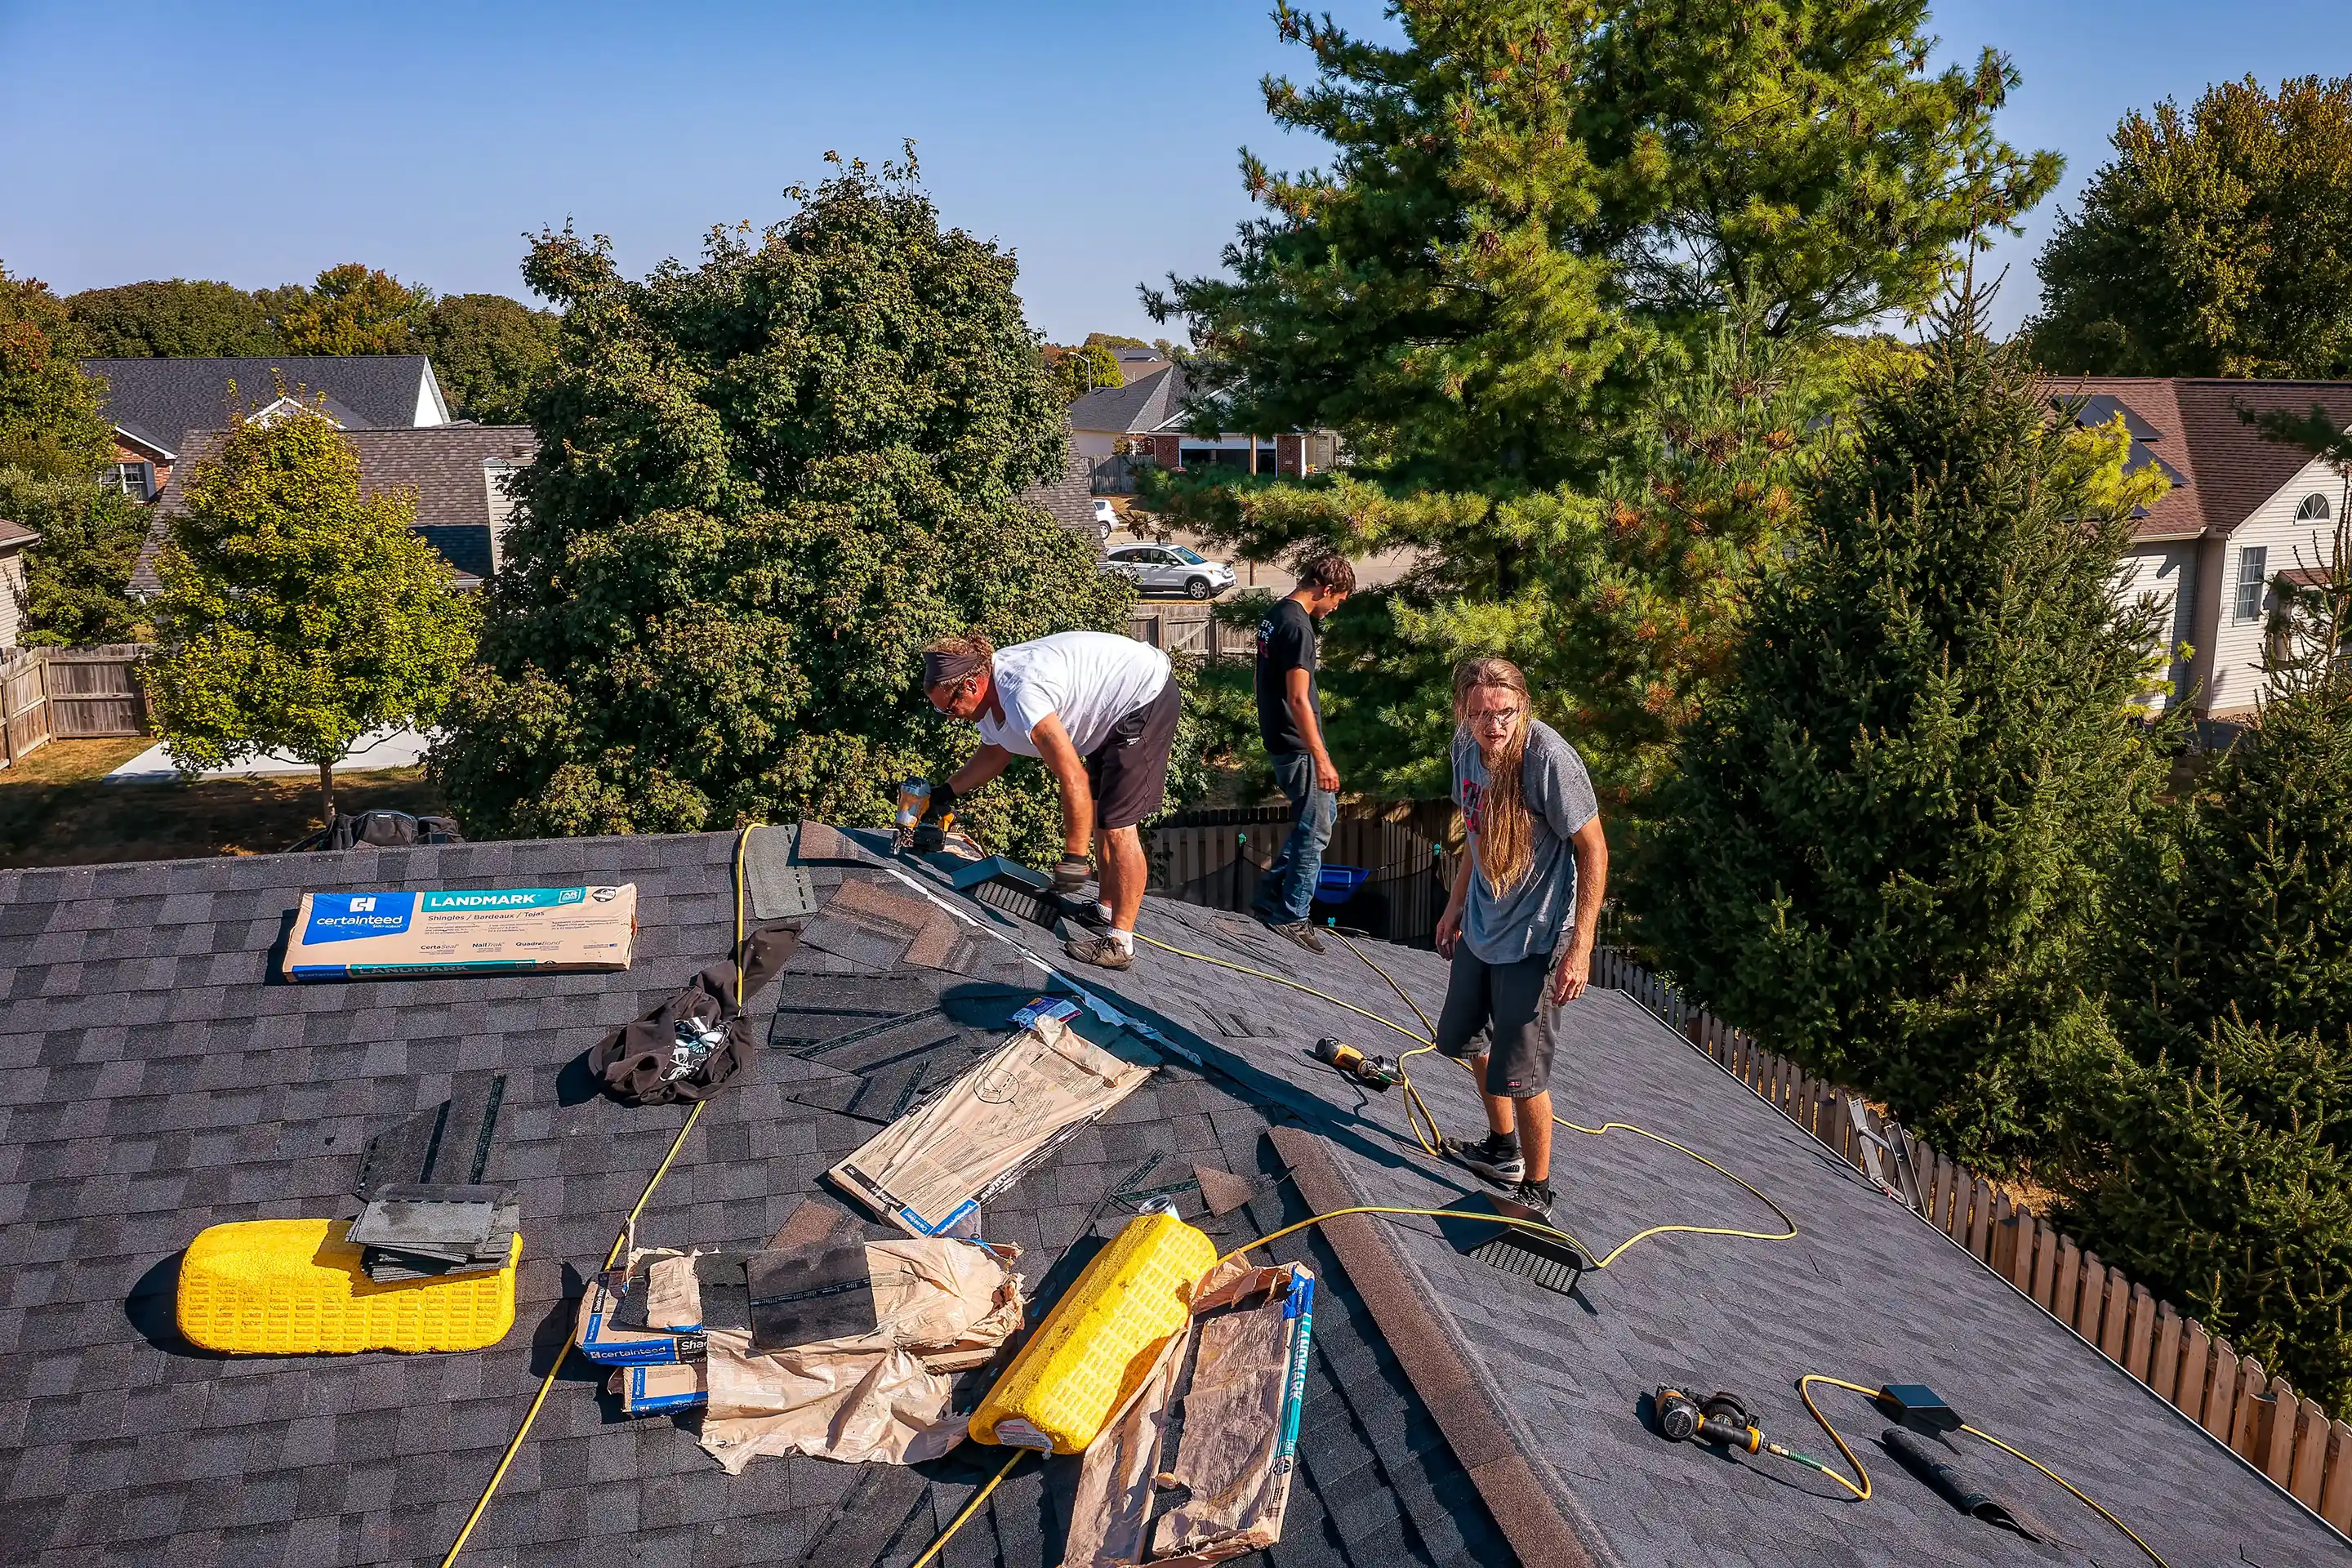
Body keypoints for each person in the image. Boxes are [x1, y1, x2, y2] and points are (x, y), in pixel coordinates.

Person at [1432, 657, 1607, 1218]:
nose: (1495, 726)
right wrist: (1456, 905)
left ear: (1522, 707)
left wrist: (1580, 946)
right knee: (1464, 1038)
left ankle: (1538, 1187)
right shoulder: (1464, 748)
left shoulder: (1548, 760)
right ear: (1464, 711)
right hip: (1484, 925)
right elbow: (1477, 834)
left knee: (1523, 1072)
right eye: (1482, 714)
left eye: (1505, 713)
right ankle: (1502, 1147)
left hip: (1537, 936)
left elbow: (1594, 850)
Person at [918, 629, 1179, 971]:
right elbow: (994, 756)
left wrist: (1075, 857)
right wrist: (946, 792)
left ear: (971, 686)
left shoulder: (1022, 694)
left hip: (1143, 695)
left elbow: (1073, 776)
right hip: (1109, 713)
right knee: (1105, 813)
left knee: (1118, 826)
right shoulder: (989, 700)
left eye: (950, 708)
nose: (952, 717)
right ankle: (1105, 910)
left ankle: (1121, 942)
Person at [1250, 554, 1356, 951]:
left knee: (1323, 813)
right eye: (1339, 600)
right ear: (1326, 589)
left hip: (1283, 740)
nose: (1335, 608)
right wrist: (1321, 757)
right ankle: (1293, 915)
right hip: (1298, 745)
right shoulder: (1299, 627)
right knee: (1316, 830)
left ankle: (1270, 894)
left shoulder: (1275, 614)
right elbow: (1297, 698)